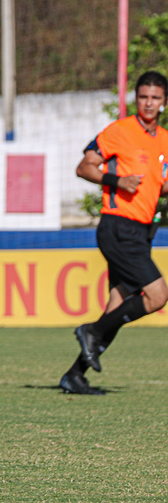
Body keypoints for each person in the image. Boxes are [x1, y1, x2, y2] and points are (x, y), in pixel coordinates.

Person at [60, 70, 168, 395]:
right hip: (118, 227)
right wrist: (116, 181)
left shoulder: (164, 139)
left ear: (164, 103)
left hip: (142, 231)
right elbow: (85, 166)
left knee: (117, 305)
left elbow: (158, 187)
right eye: (144, 97)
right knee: (158, 295)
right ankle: (91, 330)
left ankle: (74, 375)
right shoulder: (120, 131)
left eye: (156, 98)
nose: (149, 103)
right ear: (136, 99)